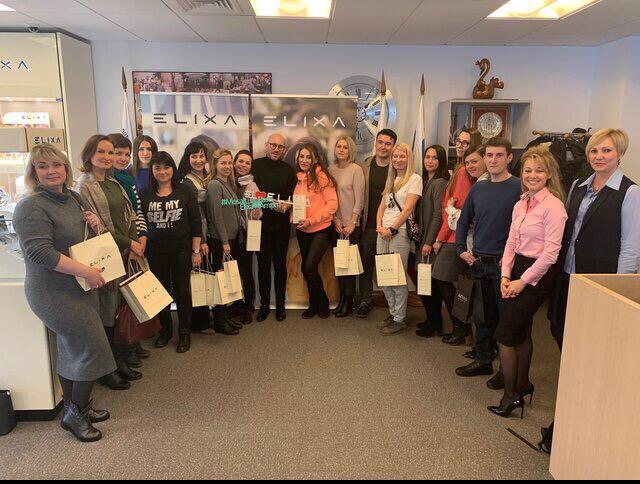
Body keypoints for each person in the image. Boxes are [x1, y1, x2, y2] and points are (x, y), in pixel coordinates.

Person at [13, 144, 114, 443]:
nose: (51, 171)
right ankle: (76, 414)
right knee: (91, 346)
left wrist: (94, 224)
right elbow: (40, 253)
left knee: (72, 348)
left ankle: (74, 408)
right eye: (42, 166)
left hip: (79, 285)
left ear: (66, 168)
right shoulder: (30, 207)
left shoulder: (73, 197)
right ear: (33, 172)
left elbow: (83, 240)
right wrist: (86, 271)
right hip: (52, 291)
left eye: (56, 165)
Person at [489, 147, 567, 418]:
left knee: (504, 335)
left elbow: (551, 255)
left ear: (549, 174)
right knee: (521, 331)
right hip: (516, 269)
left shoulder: (554, 207)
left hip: (538, 274)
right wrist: (505, 275)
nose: (533, 175)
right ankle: (523, 385)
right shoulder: (520, 204)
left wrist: (522, 282)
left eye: (539, 170)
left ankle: (511, 396)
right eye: (528, 170)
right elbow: (511, 242)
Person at [548, 128, 640, 350]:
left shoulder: (630, 192)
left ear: (620, 153)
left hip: (598, 278)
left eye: (606, 150)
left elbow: (631, 248)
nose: (599, 156)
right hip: (567, 274)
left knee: (589, 336)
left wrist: (618, 289)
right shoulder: (578, 185)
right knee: (559, 327)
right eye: (594, 151)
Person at [75, 135, 143, 390]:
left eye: (111, 152)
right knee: (106, 311)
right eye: (101, 152)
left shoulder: (114, 182)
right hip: (104, 255)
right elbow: (97, 226)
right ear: (89, 155)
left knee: (119, 307)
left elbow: (130, 215)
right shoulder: (84, 186)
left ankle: (119, 359)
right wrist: (129, 242)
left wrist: (134, 241)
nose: (107, 157)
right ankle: (108, 368)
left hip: (125, 252)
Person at [454, 137, 522, 388]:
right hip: (479, 261)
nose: (493, 160)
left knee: (505, 321)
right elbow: (463, 221)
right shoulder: (479, 188)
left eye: (499, 155)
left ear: (509, 158)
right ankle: (482, 360)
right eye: (489, 155)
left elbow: (525, 227)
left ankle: (506, 370)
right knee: (482, 317)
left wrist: (512, 257)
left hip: (505, 267)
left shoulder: (519, 187)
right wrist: (460, 249)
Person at [140, 152, 203, 353]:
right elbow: (140, 223)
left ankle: (184, 332)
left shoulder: (185, 191)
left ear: (173, 169)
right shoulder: (144, 194)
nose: (162, 172)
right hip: (155, 252)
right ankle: (165, 330)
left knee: (182, 291)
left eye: (166, 167)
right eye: (157, 168)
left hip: (181, 251)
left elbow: (196, 223)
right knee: (162, 292)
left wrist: (196, 251)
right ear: (152, 170)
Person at [432, 145, 483, 346]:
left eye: (465, 142)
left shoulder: (463, 173)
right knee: (460, 285)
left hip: (455, 238)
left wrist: (440, 238)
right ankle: (463, 328)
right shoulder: (465, 171)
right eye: (458, 142)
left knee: (442, 279)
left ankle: (462, 327)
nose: (460, 146)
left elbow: (455, 209)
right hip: (459, 237)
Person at [108, 133, 150, 365]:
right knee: (119, 301)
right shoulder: (106, 181)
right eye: (118, 153)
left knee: (135, 294)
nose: (123, 158)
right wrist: (131, 243)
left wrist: (141, 239)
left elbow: (136, 212)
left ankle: (133, 340)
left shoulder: (128, 179)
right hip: (119, 247)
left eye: (126, 154)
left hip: (135, 245)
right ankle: (123, 348)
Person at [376, 143, 423, 335]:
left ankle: (399, 318)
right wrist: (379, 226)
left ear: (408, 158)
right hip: (383, 232)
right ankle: (393, 312)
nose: (397, 159)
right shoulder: (391, 179)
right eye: (395, 156)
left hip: (399, 232)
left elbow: (408, 209)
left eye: (402, 156)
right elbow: (382, 206)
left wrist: (392, 229)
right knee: (384, 275)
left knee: (397, 276)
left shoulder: (415, 179)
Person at [252, 134, 297, 322]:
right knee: (262, 267)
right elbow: (247, 192)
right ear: (266, 145)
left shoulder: (288, 170)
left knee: (280, 266)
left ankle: (280, 305)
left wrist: (288, 204)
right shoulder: (255, 166)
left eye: (280, 146)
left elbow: (293, 196)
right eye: (273, 145)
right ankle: (264, 305)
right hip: (259, 226)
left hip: (281, 227)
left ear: (284, 149)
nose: (276, 149)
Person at [290, 143, 339, 319]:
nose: (304, 160)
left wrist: (311, 220)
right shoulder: (297, 178)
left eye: (308, 157)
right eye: (301, 157)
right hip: (302, 230)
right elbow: (295, 203)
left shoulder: (322, 177)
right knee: (307, 269)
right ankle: (314, 304)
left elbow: (332, 205)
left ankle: (323, 301)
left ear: (315, 159)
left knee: (309, 267)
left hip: (321, 230)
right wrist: (293, 218)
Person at [356, 129, 397, 318]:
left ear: (393, 146)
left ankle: (394, 307)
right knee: (366, 264)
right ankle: (366, 299)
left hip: (391, 227)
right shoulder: (365, 165)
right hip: (369, 225)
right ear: (375, 143)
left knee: (389, 266)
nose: (383, 146)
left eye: (388, 143)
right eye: (380, 142)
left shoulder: (398, 167)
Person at [206, 149, 248, 335]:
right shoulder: (215, 185)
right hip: (220, 240)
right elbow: (216, 216)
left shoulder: (228, 183)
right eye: (223, 163)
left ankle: (225, 316)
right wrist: (224, 242)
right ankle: (219, 321)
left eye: (229, 162)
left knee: (227, 281)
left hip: (231, 238)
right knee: (220, 281)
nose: (227, 166)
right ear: (215, 164)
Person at [415, 145, 450, 337]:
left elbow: (438, 215)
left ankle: (435, 323)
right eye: (427, 157)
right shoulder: (427, 180)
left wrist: (429, 242)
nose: (429, 161)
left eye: (434, 158)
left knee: (429, 286)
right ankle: (432, 320)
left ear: (441, 161)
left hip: (430, 241)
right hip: (424, 239)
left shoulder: (439, 182)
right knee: (425, 285)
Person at [328, 136, 365, 318]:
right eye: (339, 146)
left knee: (349, 266)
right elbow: (328, 198)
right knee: (340, 265)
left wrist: (352, 222)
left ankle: (349, 301)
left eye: (345, 147)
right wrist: (335, 220)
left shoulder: (356, 170)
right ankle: (342, 299)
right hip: (336, 225)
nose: (341, 150)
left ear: (350, 150)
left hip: (351, 227)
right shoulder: (330, 170)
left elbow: (360, 199)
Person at [177, 141, 212, 333]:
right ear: (188, 158)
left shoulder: (207, 177)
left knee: (207, 276)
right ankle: (199, 321)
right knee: (198, 277)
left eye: (201, 156)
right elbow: (192, 215)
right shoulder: (186, 182)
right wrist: (201, 242)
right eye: (194, 156)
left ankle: (207, 317)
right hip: (197, 233)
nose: (199, 160)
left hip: (209, 229)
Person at [234, 149, 261, 323]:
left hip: (244, 234)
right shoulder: (227, 181)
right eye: (241, 161)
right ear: (234, 162)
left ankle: (248, 306)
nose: (243, 165)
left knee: (245, 271)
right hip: (228, 234)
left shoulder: (252, 186)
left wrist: (256, 211)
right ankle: (235, 304)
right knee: (232, 271)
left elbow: (258, 211)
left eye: (247, 163)